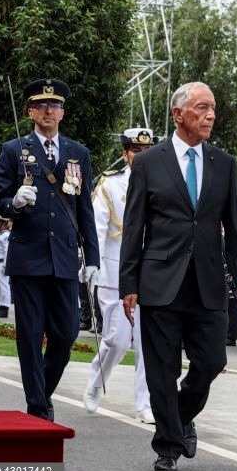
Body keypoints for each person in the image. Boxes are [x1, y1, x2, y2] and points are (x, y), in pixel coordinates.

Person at [119, 82, 237, 471]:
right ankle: (167, 446)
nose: (210, 115)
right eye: (201, 108)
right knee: (161, 368)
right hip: (160, 280)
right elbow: (134, 227)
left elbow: (234, 228)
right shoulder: (148, 163)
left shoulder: (224, 164)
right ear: (178, 114)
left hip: (208, 282)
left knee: (212, 361)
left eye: (212, 108)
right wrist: (129, 284)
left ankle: (180, 415)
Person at [0, 78, 100, 421]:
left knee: (66, 332)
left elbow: (83, 207)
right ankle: (39, 409)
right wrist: (15, 203)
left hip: (66, 258)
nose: (48, 111)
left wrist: (93, 258)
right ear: (30, 112)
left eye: (54, 106)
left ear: (62, 112)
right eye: (41, 105)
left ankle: (41, 392)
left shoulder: (77, 153)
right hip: (28, 257)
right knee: (29, 335)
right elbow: (1, 203)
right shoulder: (14, 150)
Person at [83, 128, 156, 423]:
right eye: (136, 151)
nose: (141, 156)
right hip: (114, 271)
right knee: (118, 340)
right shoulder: (111, 185)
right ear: (126, 154)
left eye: (146, 151)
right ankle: (95, 384)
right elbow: (97, 229)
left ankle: (144, 403)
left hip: (150, 273)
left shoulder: (162, 183)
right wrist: (92, 265)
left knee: (147, 340)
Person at [0, 215, 12, 318]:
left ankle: (4, 307)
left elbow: (7, 252)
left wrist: (6, 266)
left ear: (3, 224)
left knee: (4, 286)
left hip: (2, 264)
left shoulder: (6, 236)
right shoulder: (0, 235)